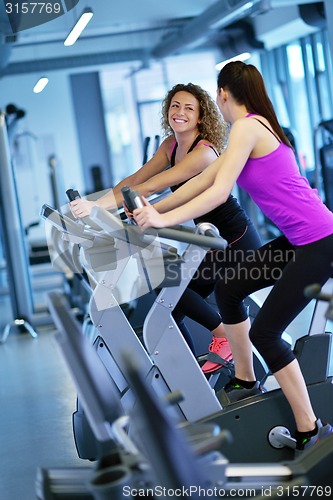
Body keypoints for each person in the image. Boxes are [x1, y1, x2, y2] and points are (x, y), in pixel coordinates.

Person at [133, 62, 333, 453]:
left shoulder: (247, 127)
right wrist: (152, 211)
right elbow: (203, 181)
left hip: (319, 241)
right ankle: (245, 379)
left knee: (266, 333)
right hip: (298, 239)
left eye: (217, 99)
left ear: (224, 94)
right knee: (230, 289)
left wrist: (161, 216)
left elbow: (219, 192)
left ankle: (311, 429)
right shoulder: (254, 128)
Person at [70, 82, 262, 372]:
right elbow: (135, 179)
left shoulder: (204, 153)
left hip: (235, 241)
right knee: (169, 300)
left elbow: (153, 185)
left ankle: (222, 335)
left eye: (189, 108)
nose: (180, 112)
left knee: (170, 284)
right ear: (167, 110)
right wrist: (93, 202)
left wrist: (98, 207)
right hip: (209, 241)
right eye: (175, 106)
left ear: (200, 117)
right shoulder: (170, 146)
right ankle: (180, 369)